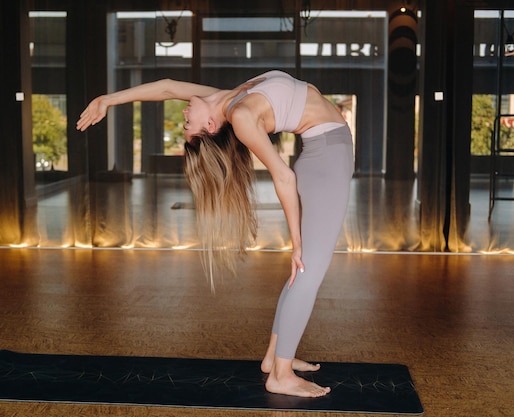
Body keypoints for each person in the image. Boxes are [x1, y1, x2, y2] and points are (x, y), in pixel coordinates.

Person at [76, 70, 354, 398]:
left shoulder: (230, 97)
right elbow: (283, 177)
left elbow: (167, 87)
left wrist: (109, 99)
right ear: (210, 127)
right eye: (187, 125)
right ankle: (281, 374)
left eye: (184, 123)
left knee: (303, 273)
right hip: (328, 158)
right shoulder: (240, 115)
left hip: (323, 151)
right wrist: (296, 243)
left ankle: (275, 359)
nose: (183, 116)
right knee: (307, 270)